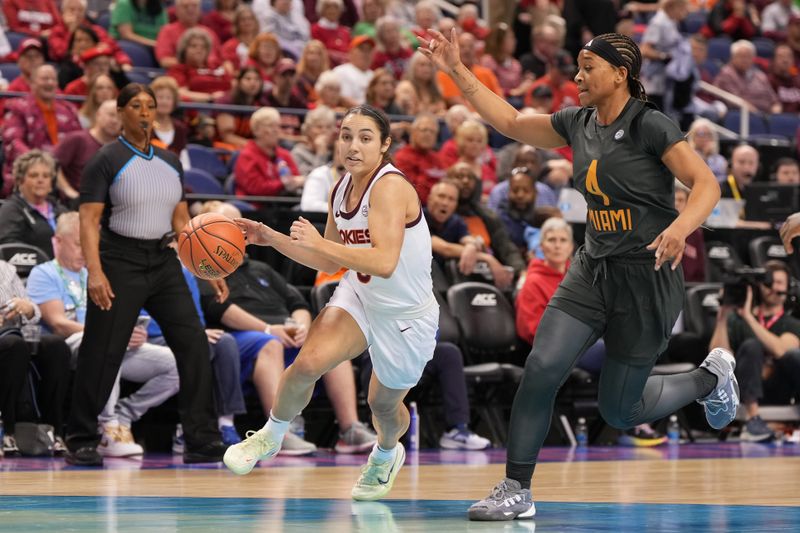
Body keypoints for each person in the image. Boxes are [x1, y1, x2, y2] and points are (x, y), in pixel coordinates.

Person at [421, 29, 740, 520]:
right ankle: (516, 488)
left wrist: (680, 227)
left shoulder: (650, 125)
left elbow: (705, 183)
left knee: (620, 411)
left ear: (620, 73)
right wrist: (457, 69)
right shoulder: (577, 122)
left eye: (588, 67)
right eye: (577, 65)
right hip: (592, 269)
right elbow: (509, 119)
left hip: (647, 278)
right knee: (542, 367)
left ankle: (708, 378)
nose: (577, 76)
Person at [224, 105, 439, 503]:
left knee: (383, 406)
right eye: (345, 136)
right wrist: (269, 236)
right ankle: (271, 436)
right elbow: (327, 260)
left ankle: (386, 453)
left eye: (365, 138)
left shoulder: (391, 187)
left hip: (406, 315)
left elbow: (385, 261)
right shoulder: (340, 187)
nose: (352, 146)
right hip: (360, 294)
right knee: (306, 364)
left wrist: (322, 244)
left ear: (385, 145)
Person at [65, 83, 229, 467]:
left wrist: (208, 270)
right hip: (118, 259)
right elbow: (89, 221)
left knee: (193, 344)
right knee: (101, 351)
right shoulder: (104, 159)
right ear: (121, 113)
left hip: (163, 261)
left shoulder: (171, 162)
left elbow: (183, 223)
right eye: (136, 106)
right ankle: (82, 438)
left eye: (150, 106)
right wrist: (95, 272)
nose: (144, 112)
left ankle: (201, 439)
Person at [27, 212, 180, 457]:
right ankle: (107, 428)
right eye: (78, 244)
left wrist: (131, 331)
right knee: (109, 344)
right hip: (69, 344)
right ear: (58, 241)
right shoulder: (44, 273)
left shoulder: (97, 272)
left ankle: (123, 415)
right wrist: (112, 333)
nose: (84, 251)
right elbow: (58, 323)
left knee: (175, 364)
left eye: (89, 244)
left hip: (107, 343)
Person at [709, 261, 800, 442]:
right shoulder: (737, 319)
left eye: (779, 282)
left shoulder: (791, 323)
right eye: (769, 282)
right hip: (744, 386)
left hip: (779, 388)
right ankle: (753, 418)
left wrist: (750, 318)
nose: (773, 287)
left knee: (794, 355)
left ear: (788, 287)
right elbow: (718, 355)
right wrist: (722, 318)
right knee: (752, 346)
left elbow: (781, 350)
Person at [1, 260, 71, 456]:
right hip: (10, 343)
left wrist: (27, 307)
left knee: (55, 346)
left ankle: (53, 430)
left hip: (15, 333)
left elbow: (34, 312)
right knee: (14, 347)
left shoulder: (6, 269)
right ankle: (7, 431)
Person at [0, 150, 69, 257]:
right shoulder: (11, 209)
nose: (40, 180)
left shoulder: (61, 210)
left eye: (46, 176)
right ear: (20, 180)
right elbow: (8, 246)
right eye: (34, 175)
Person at [55, 99, 122, 203]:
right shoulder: (77, 139)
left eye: (120, 117)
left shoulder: (123, 148)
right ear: (98, 115)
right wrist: (69, 191)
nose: (114, 121)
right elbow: (52, 166)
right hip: (77, 205)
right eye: (111, 115)